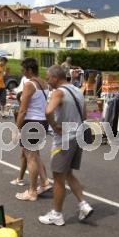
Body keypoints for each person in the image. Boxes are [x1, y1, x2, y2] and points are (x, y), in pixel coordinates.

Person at [38, 65, 93, 226]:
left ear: (56, 78)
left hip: (64, 140)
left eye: (48, 78)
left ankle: (56, 214)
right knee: (68, 173)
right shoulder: (77, 90)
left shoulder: (58, 92)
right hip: (78, 136)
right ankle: (84, 205)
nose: (47, 81)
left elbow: (48, 111)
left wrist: (54, 125)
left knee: (58, 178)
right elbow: (84, 115)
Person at [15, 58, 51, 201]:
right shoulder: (44, 84)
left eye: (23, 70)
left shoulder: (29, 84)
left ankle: (32, 191)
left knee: (30, 158)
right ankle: (44, 182)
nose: (22, 73)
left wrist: (17, 128)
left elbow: (23, 110)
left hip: (31, 122)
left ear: (29, 70)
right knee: (35, 155)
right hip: (42, 122)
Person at [10, 92, 27, 186]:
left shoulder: (21, 110)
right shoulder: (18, 110)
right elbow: (18, 123)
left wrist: (17, 132)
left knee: (29, 157)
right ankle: (20, 178)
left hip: (27, 132)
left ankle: (20, 179)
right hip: (26, 132)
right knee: (27, 156)